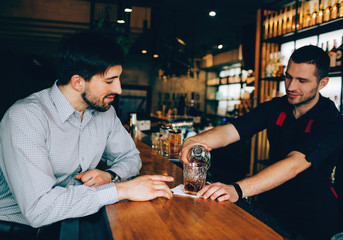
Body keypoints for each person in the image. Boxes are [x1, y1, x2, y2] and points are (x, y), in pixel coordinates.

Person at [0, 31, 173, 239]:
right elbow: (40, 208)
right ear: (78, 82)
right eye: (110, 81)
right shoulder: (25, 117)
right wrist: (121, 189)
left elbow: (129, 156)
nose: (118, 89)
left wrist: (111, 176)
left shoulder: (104, 113)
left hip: (70, 222)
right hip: (17, 231)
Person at [179, 45, 343, 239]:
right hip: (273, 205)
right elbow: (232, 131)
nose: (291, 86)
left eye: (302, 80)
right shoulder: (277, 107)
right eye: (288, 77)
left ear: (322, 83)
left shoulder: (331, 122)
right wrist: (194, 140)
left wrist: (237, 190)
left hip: (311, 217)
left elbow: (294, 164)